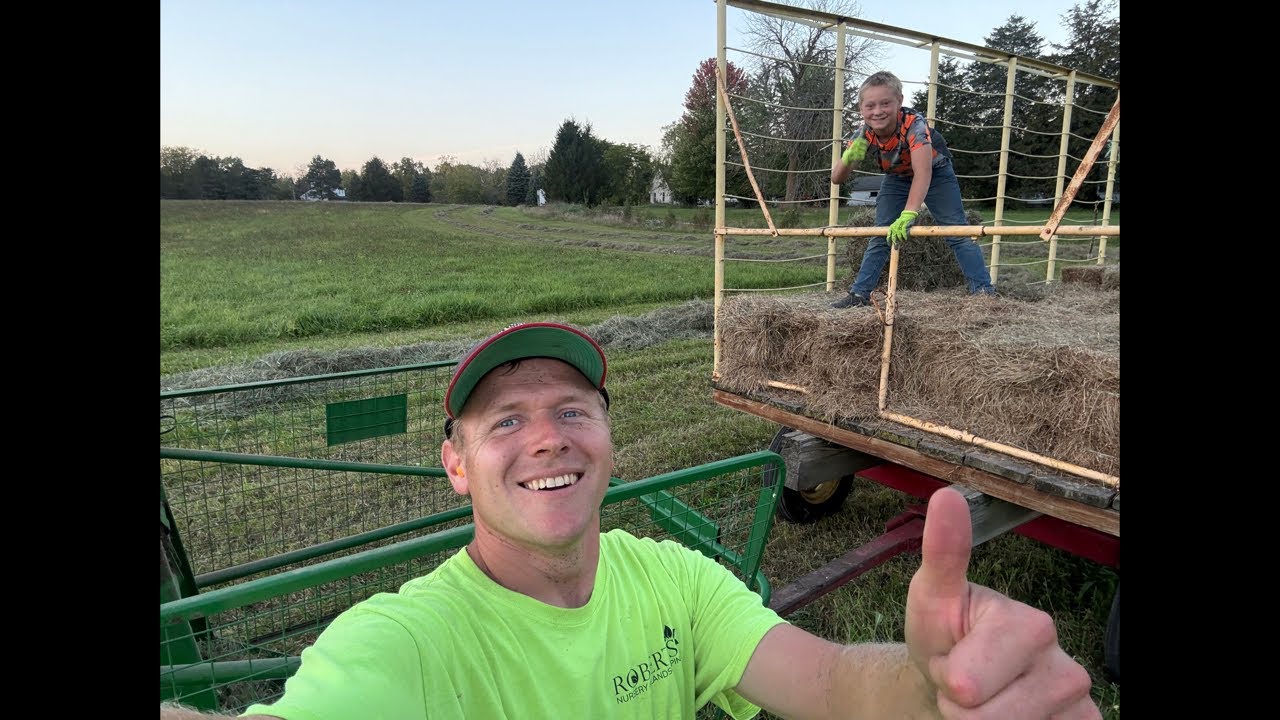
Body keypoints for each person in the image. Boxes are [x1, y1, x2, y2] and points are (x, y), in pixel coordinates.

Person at [161, 321, 1099, 720]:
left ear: (610, 434)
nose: (547, 441)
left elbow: (829, 681)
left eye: (572, 410)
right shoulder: (408, 644)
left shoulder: (673, 580)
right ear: (454, 465)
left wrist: (934, 692)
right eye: (505, 422)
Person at [830, 71, 997, 308]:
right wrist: (850, 156)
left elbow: (923, 172)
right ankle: (859, 295)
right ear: (861, 109)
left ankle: (983, 292)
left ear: (899, 101)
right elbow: (837, 178)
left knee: (956, 231)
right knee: (882, 233)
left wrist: (910, 213)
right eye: (870, 106)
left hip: (936, 172)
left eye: (885, 103)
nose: (878, 111)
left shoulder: (914, 124)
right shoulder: (864, 134)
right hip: (896, 178)